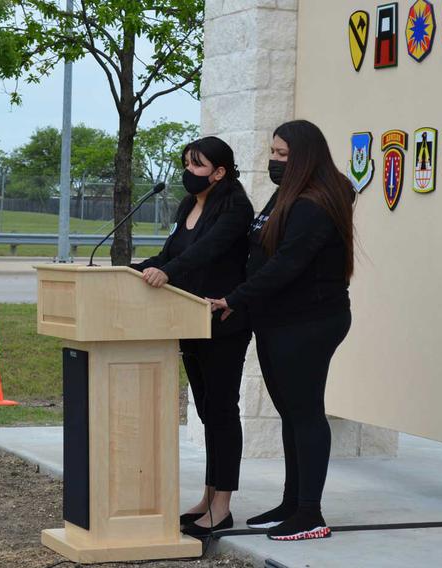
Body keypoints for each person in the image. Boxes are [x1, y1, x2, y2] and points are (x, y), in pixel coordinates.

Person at [208, 119, 355, 541]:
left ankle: (310, 514)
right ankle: (293, 502)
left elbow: (288, 263)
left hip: (308, 321)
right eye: (273, 153)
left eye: (283, 155)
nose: (274, 161)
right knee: (290, 413)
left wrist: (235, 298)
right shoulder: (287, 195)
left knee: (305, 412)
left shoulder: (315, 203)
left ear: (305, 157)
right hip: (277, 320)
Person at [131, 136, 254, 536]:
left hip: (221, 322)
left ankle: (223, 505)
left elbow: (207, 252)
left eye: (197, 165)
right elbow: (171, 254)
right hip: (188, 321)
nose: (188, 172)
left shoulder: (235, 206)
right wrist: (129, 269)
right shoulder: (188, 205)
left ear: (219, 172)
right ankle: (207, 496)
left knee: (222, 410)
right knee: (206, 412)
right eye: (186, 163)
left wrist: (169, 273)